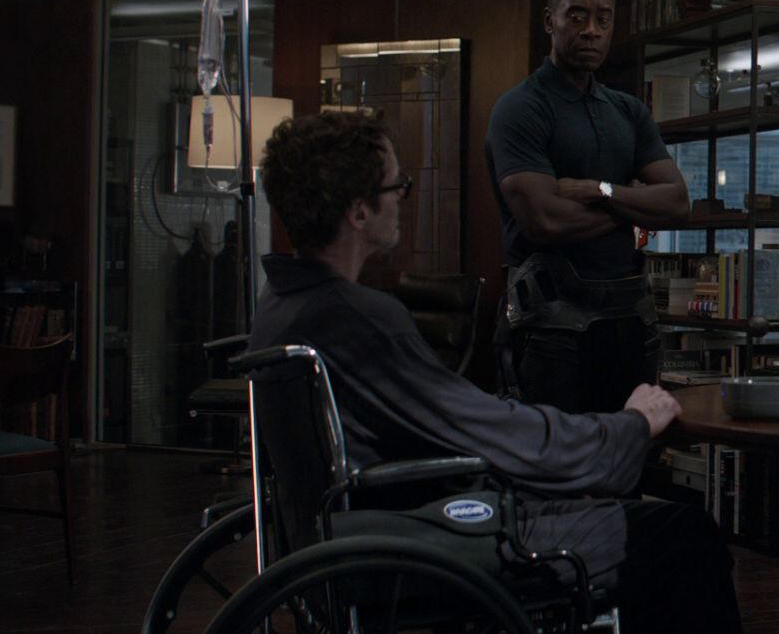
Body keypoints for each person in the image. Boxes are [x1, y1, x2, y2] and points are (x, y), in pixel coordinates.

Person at [250, 111, 741, 633]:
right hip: (410, 545)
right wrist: (628, 427)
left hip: (341, 539)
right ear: (358, 211)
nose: (402, 198)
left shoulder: (280, 304)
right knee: (683, 534)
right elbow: (488, 430)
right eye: (397, 186)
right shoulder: (356, 318)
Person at [487, 0, 689, 412]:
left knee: (633, 445)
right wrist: (633, 206)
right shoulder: (520, 109)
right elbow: (545, 220)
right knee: (556, 450)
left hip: (629, 321)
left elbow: (676, 203)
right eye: (577, 17)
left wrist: (602, 191)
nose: (592, 30)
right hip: (549, 325)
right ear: (550, 21)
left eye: (603, 19)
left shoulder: (628, 111)